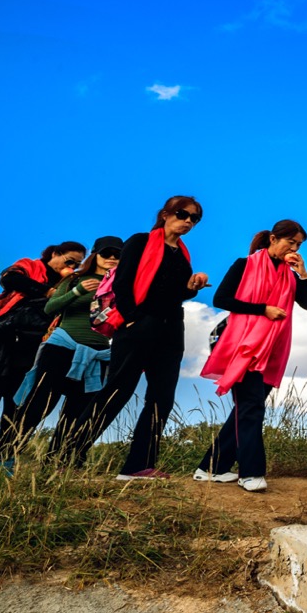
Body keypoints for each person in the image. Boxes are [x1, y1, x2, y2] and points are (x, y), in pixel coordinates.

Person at [76, 196, 211, 480]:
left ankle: (138, 465)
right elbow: (123, 283)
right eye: (182, 214)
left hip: (172, 328)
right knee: (116, 391)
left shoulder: (182, 255)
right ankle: (68, 455)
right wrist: (133, 319)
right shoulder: (139, 242)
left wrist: (191, 286)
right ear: (165, 214)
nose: (187, 221)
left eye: (194, 218)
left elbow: (176, 294)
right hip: (138, 326)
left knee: (162, 398)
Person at [194, 220, 307, 492]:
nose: (293, 248)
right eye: (290, 242)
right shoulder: (244, 264)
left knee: (247, 408)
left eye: (298, 245)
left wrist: (303, 274)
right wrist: (264, 309)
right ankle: (251, 473)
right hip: (244, 345)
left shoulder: (289, 274)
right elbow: (221, 299)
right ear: (273, 239)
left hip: (273, 348)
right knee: (252, 408)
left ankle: (209, 468)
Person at [0, 237, 123, 467]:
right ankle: (4, 458)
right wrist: (78, 291)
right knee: (39, 405)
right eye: (107, 253)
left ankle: (56, 464)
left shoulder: (123, 286)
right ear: (95, 255)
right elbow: (50, 307)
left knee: (77, 412)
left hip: (98, 354)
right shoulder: (76, 278)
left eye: (118, 254)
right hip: (62, 347)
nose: (112, 258)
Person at [0, 240, 86, 458]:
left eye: (77, 265)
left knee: (17, 404)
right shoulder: (31, 266)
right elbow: (9, 278)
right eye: (70, 261)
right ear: (55, 254)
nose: (73, 267)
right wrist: (47, 291)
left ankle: (4, 458)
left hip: (32, 347)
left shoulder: (69, 283)